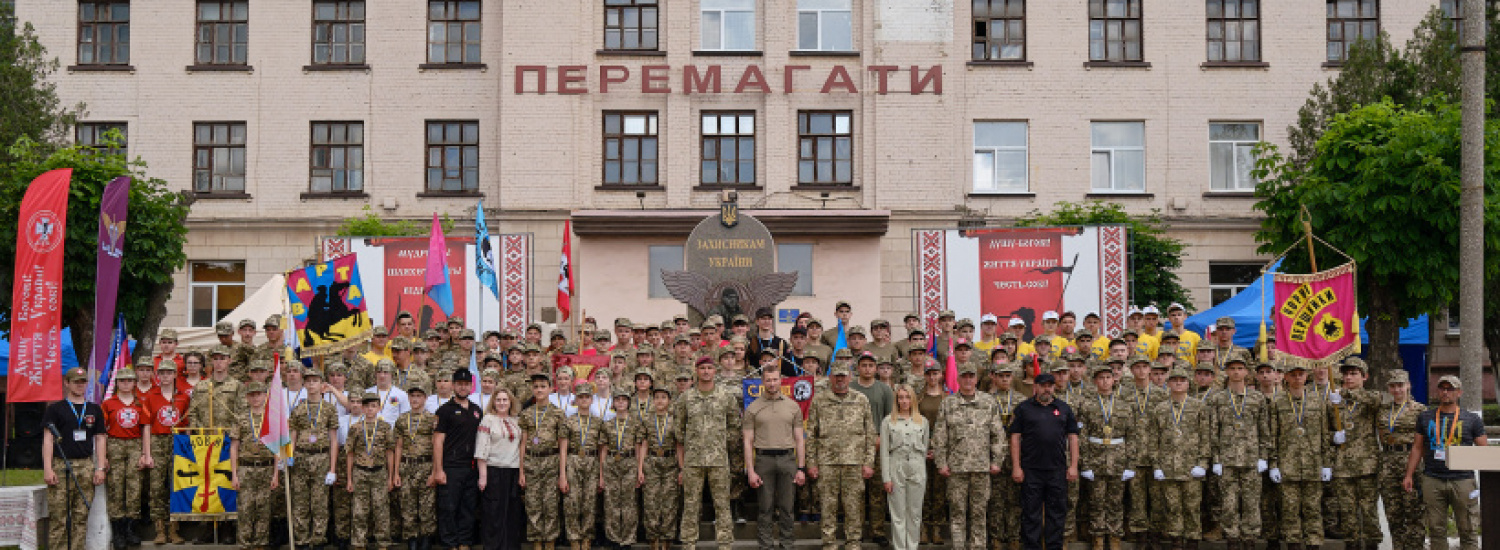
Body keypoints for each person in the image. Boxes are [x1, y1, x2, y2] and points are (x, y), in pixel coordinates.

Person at [1403, 375, 1486, 550]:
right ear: (1438, 391)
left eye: (1450, 389)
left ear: (1459, 392)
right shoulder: (1425, 417)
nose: (1446, 392)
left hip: (1462, 480)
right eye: (1442, 388)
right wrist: (1409, 475)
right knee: (1435, 529)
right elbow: (1417, 448)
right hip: (1433, 478)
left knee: (1468, 528)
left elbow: (1483, 451)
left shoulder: (1472, 419)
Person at [933, 364, 1006, 550]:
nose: (967, 380)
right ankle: (958, 546)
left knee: (979, 512)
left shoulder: (988, 402)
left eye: (971, 376)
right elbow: (940, 436)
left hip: (982, 468)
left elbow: (998, 434)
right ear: (958, 379)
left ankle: (978, 547)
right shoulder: (948, 403)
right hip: (956, 469)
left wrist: (997, 461)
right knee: (957, 512)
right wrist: (941, 463)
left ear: (976, 379)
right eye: (964, 376)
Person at [806, 362, 876, 550]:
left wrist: (869, 462)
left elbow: (870, 433)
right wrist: (811, 462)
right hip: (826, 463)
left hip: (854, 462)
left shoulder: (861, 399)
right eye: (836, 375)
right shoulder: (819, 400)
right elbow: (811, 434)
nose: (840, 379)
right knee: (828, 506)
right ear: (830, 377)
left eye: (843, 376)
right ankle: (829, 543)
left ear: (850, 377)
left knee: (853, 507)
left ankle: (853, 542)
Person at [673, 358, 742, 550]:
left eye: (709, 368)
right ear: (696, 371)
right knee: (691, 505)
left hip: (719, 459)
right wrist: (693, 443)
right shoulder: (686, 398)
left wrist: (718, 441)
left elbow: (735, 426)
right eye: (702, 368)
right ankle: (688, 543)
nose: (705, 371)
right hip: (693, 460)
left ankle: (725, 543)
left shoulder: (725, 396)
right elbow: (678, 429)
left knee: (722, 504)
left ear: (715, 371)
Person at [1203, 355, 1270, 550]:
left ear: (1247, 372)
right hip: (1227, 459)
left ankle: (1249, 539)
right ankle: (1232, 537)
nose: (1236, 372)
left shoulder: (1257, 398)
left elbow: (1264, 430)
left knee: (1251, 502)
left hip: (1251, 459)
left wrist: (1263, 457)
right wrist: (1215, 459)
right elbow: (1213, 431)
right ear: (1226, 372)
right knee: (1229, 503)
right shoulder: (1218, 398)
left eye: (1240, 368)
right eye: (1232, 368)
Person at [1009, 372, 1079, 550]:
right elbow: (1015, 438)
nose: (1046, 389)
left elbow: (1073, 438)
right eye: (1043, 385)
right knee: (1031, 513)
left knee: (1056, 513)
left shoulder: (1064, 408)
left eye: (1050, 385)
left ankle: (1054, 546)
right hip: (1031, 469)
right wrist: (1016, 467)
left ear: (1054, 387)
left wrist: (1073, 466)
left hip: (1057, 470)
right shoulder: (1023, 408)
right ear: (1036, 387)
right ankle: (1032, 547)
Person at [1268, 363, 1331, 550]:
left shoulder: (1317, 401)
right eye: (1293, 375)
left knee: (1313, 508)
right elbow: (1272, 435)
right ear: (1286, 377)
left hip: (1313, 464)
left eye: (1300, 374)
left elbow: (1324, 434)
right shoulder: (1277, 401)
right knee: (1290, 509)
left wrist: (1326, 464)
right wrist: (1273, 464)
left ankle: (1313, 544)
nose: (1297, 378)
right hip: (1288, 465)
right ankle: (1293, 543)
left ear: (1306, 376)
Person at [743, 368, 807, 550]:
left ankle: (786, 544)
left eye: (775, 380)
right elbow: (747, 441)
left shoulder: (793, 406)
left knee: (787, 507)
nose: (772, 383)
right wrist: (751, 470)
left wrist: (801, 468)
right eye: (768, 380)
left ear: (781, 381)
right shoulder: (753, 407)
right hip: (764, 459)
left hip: (787, 458)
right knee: (765, 508)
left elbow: (800, 439)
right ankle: (766, 545)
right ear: (763, 382)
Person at [1146, 367, 1208, 550]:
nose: (1178, 383)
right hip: (1168, 467)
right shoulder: (1160, 409)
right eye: (1175, 380)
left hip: (1191, 468)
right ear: (1168, 383)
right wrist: (1156, 465)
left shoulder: (1199, 406)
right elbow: (1153, 439)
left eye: (1182, 380)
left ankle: (1192, 541)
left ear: (1189, 383)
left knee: (1192, 508)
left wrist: (1203, 463)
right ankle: (1176, 542)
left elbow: (1206, 437)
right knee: (1172, 507)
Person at [1075, 363, 1133, 550]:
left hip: (1118, 459)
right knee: (1096, 501)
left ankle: (1114, 537)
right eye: (1101, 378)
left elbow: (1132, 435)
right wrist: (1084, 464)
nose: (1105, 381)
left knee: (1116, 502)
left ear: (1114, 380)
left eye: (1108, 377)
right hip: (1095, 457)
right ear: (1094, 381)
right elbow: (1081, 436)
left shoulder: (1125, 405)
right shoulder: (1087, 405)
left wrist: (1130, 464)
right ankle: (1098, 538)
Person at [1328, 358, 1381, 550]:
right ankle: (1351, 545)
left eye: (1354, 374)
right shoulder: (1334, 402)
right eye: (1346, 374)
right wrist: (1333, 437)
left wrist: (1345, 393)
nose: (1348, 377)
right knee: (1347, 513)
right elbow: (1323, 431)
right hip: (1342, 465)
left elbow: (1376, 401)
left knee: (1369, 512)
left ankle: (1372, 545)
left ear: (1364, 377)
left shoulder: (1370, 398)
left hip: (1366, 465)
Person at [288, 367, 340, 550]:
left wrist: (332, 469)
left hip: (321, 457)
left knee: (319, 503)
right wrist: (289, 456)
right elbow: (293, 435)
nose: (311, 384)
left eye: (315, 381)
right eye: (308, 381)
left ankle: (318, 540)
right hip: (301, 457)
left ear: (321, 384)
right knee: (300, 503)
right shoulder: (298, 409)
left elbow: (334, 440)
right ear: (304, 383)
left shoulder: (329, 409)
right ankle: (301, 540)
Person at [432, 368, 484, 550]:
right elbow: (438, 442)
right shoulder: (444, 410)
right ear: (453, 386)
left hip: (471, 468)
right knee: (448, 508)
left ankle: (464, 542)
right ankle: (450, 543)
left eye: (466, 384)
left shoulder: (477, 411)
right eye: (459, 384)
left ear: (471, 386)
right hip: (451, 467)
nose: (463, 387)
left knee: (468, 508)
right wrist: (438, 470)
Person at [141, 356, 191, 544]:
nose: (165, 376)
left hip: (177, 442)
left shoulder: (183, 397)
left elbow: (187, 425)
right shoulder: (151, 397)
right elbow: (146, 426)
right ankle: (160, 530)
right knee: (156, 488)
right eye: (162, 373)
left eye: (169, 372)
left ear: (175, 374)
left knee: (176, 486)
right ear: (157, 375)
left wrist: (186, 451)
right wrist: (147, 454)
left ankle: (174, 530)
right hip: (157, 441)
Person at [1375, 370, 1425, 550]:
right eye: (1393, 386)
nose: (1397, 390)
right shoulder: (1382, 410)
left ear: (1408, 386)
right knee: (1393, 512)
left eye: (1400, 385)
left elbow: (1425, 440)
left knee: (1413, 512)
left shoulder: (1420, 410)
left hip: (1410, 462)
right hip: (1387, 462)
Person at [520, 372, 569, 550]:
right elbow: (523, 443)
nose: (539, 390)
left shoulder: (558, 413)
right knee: (532, 504)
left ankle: (550, 542)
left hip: (551, 461)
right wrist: (521, 471)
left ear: (550, 389)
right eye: (536, 387)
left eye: (543, 386)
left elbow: (563, 445)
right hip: (531, 462)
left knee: (550, 504)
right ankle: (536, 542)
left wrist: (563, 474)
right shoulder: (526, 414)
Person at [476, 388, 525, 550]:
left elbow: (521, 447)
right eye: (498, 400)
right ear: (493, 402)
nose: (502, 403)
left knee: (512, 513)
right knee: (494, 513)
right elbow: (481, 449)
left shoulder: (516, 421)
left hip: (512, 471)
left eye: (505, 400)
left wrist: (521, 473)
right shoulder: (488, 420)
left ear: (510, 402)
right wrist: (483, 476)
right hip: (494, 471)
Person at [347, 391, 396, 550]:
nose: (370, 409)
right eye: (367, 406)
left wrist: (390, 477)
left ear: (379, 408)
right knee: (360, 511)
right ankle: (359, 543)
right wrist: (349, 479)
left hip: (379, 472)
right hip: (360, 472)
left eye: (373, 406)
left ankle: (383, 543)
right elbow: (350, 453)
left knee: (381, 509)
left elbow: (390, 452)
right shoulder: (355, 428)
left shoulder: (385, 427)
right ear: (362, 408)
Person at [881, 384, 928, 550]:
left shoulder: (922, 422)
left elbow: (924, 450)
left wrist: (922, 474)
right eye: (901, 397)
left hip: (917, 469)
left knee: (915, 513)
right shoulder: (888, 421)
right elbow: (885, 452)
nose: (904, 401)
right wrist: (886, 478)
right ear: (896, 400)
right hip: (896, 467)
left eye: (907, 397)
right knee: (898, 514)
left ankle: (912, 546)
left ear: (913, 399)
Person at [231, 381, 277, 550]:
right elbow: (234, 447)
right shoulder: (240, 418)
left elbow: (277, 448)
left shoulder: (271, 417)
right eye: (252, 395)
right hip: (246, 468)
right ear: (247, 397)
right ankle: (244, 543)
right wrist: (234, 474)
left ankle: (261, 543)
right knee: (245, 508)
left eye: (259, 394)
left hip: (266, 467)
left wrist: (275, 474)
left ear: (265, 396)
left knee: (264, 509)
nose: (256, 398)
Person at [394, 382, 437, 550]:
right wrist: (396, 473)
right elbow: (398, 446)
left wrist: (434, 471)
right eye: (412, 396)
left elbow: (435, 447)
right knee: (407, 506)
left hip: (425, 465)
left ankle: (426, 540)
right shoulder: (402, 419)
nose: (415, 399)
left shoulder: (431, 419)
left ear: (425, 398)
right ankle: (412, 539)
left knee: (427, 507)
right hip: (406, 466)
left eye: (419, 396)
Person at [563, 383, 606, 550]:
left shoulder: (598, 422)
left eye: (587, 397)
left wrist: (602, 474)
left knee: (589, 502)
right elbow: (563, 448)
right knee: (572, 501)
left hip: (592, 461)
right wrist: (563, 473)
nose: (584, 400)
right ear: (576, 400)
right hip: (573, 460)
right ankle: (574, 538)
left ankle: (587, 538)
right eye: (580, 397)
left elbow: (602, 448)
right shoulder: (568, 421)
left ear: (591, 399)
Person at [636, 386, 679, 550]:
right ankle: (653, 539)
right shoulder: (647, 419)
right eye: (657, 397)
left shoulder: (674, 419)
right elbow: (643, 444)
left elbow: (678, 444)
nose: (660, 400)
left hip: (670, 462)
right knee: (651, 502)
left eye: (663, 397)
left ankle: (667, 540)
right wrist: (640, 469)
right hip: (652, 462)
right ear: (652, 401)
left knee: (669, 502)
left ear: (669, 401)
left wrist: (681, 468)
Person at [601, 389, 641, 550]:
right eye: (618, 400)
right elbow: (603, 449)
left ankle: (628, 539)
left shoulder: (636, 423)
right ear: (613, 403)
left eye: (624, 400)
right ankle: (613, 538)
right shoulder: (607, 424)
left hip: (630, 462)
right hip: (611, 462)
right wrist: (602, 473)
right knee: (611, 502)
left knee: (629, 502)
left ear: (628, 403)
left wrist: (639, 470)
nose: (621, 403)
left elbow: (638, 447)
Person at [916, 363, 948, 544]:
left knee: (939, 491)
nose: (932, 378)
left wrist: (937, 447)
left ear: (941, 375)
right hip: (920, 449)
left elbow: (950, 426)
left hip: (941, 450)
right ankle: (923, 528)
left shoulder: (947, 398)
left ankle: (937, 528)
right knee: (923, 490)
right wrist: (925, 446)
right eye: (929, 374)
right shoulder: (918, 398)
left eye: (935, 374)